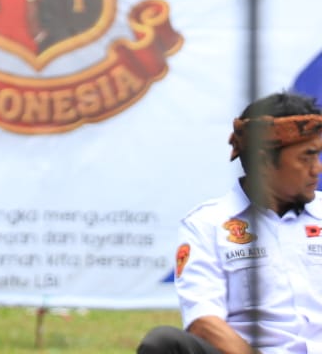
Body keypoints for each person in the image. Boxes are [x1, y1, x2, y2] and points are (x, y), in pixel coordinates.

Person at [137, 91, 322, 354]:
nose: (317, 168)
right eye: (306, 157)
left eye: (317, 156)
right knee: (165, 342)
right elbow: (204, 322)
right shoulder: (206, 225)